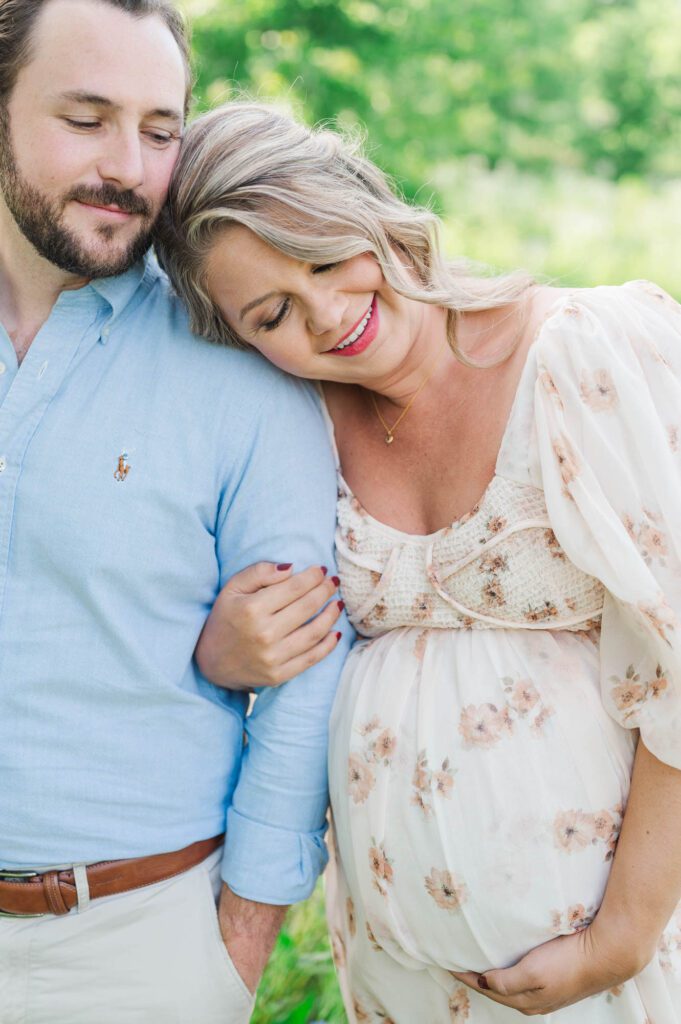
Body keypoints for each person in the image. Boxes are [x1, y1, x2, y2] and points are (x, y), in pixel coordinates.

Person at [157, 99, 681, 1023]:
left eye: (325, 259)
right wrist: (225, 656)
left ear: (367, 206)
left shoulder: (580, 352)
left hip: (613, 961)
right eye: (273, 313)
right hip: (397, 972)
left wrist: (625, 933)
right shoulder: (295, 431)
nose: (326, 315)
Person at [0, 5, 351, 1022]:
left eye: (161, 130)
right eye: (86, 118)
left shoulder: (238, 352)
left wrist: (237, 938)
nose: (130, 166)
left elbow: (306, 663)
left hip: (139, 944)